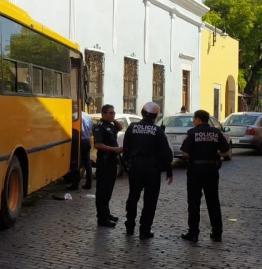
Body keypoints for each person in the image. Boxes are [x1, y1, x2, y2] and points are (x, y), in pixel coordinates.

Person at [122, 102, 173, 239]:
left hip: (136, 168)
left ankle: (130, 226)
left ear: (142, 112)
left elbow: (125, 149)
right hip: (152, 170)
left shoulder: (132, 128)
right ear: (155, 116)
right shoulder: (158, 131)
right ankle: (145, 230)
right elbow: (166, 152)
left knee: (133, 197)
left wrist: (126, 168)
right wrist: (169, 170)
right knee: (150, 200)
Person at [180, 109, 231, 243]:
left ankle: (193, 233)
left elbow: (184, 153)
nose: (192, 121)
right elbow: (226, 152)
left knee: (194, 202)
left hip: (195, 170)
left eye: (193, 118)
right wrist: (216, 155)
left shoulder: (192, 133)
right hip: (211, 170)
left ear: (197, 119)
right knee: (213, 201)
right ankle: (217, 233)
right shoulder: (216, 133)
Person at [93, 104, 123, 227]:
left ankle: (106, 213)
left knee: (108, 190)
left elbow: (120, 127)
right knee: (102, 191)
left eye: (114, 113)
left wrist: (113, 118)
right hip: (104, 162)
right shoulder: (99, 127)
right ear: (103, 114)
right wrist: (114, 149)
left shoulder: (109, 125)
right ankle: (102, 218)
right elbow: (98, 145)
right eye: (110, 113)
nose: (113, 115)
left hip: (111, 162)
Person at [69, 110, 93, 190]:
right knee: (87, 162)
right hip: (86, 140)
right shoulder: (87, 115)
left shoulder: (74, 116)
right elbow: (90, 129)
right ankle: (89, 183)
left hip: (78, 140)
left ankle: (75, 184)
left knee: (75, 161)